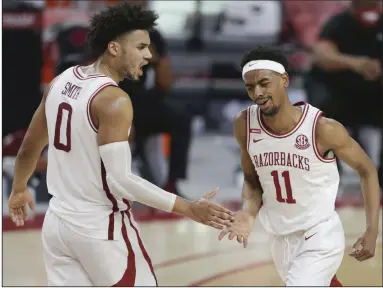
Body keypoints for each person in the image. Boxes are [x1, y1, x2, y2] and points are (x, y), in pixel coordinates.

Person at [8, 4, 234, 286]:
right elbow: (121, 181)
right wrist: (188, 208)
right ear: (114, 48)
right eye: (140, 47)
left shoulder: (60, 82)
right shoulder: (114, 100)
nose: (149, 56)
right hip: (100, 229)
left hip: (57, 225)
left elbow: (29, 147)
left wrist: (19, 188)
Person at [218, 46, 381, 286]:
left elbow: (367, 170)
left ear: (284, 79)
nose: (258, 93)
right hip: (279, 237)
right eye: (250, 87)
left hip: (319, 234)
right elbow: (253, 180)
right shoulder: (244, 124)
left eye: (264, 83)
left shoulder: (322, 128)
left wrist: (372, 231)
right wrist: (248, 212)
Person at [309, 0, 382, 184]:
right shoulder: (338, 24)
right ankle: (327, 171)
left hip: (374, 95)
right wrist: (355, 63)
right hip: (339, 93)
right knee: (322, 113)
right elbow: (323, 55)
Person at [120, 27, 192, 195]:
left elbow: (166, 84)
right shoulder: (115, 35)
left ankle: (172, 182)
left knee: (181, 119)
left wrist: (157, 60)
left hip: (144, 102)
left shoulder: (153, 36)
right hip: (114, 100)